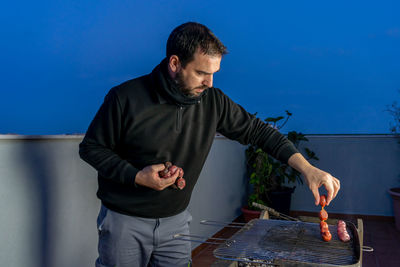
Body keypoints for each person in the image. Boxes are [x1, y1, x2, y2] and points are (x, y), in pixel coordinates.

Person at [79, 22, 340, 267]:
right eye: (202, 73)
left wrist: (309, 170)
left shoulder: (213, 101)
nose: (210, 83)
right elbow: (91, 148)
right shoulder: (125, 97)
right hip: (125, 222)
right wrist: (137, 176)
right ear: (175, 63)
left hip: (176, 223)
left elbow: (261, 133)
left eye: (213, 73)